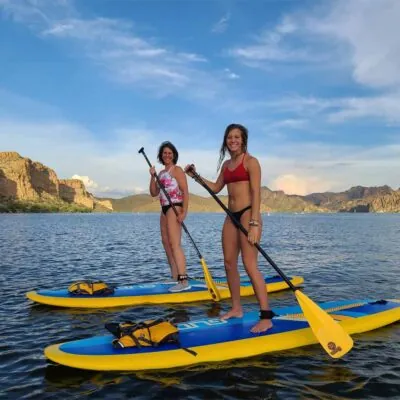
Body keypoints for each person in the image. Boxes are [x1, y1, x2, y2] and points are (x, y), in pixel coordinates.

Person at [185, 124, 273, 333]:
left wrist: (254, 223)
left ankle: (266, 316)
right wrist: (195, 176)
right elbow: (216, 188)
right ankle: (236, 308)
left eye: (236, 137)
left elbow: (256, 194)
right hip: (231, 216)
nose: (232, 140)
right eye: (229, 137)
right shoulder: (226, 165)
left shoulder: (252, 162)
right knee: (228, 263)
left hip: (248, 214)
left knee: (250, 264)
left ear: (243, 140)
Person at [149, 141, 191, 292]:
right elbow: (154, 193)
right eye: (164, 153)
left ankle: (183, 279)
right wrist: (153, 176)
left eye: (169, 153)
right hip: (164, 209)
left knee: (175, 244)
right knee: (166, 243)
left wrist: (184, 212)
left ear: (174, 155)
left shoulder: (177, 170)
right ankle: (175, 277)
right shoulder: (160, 173)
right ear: (161, 155)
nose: (167, 155)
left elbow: (185, 192)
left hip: (175, 207)